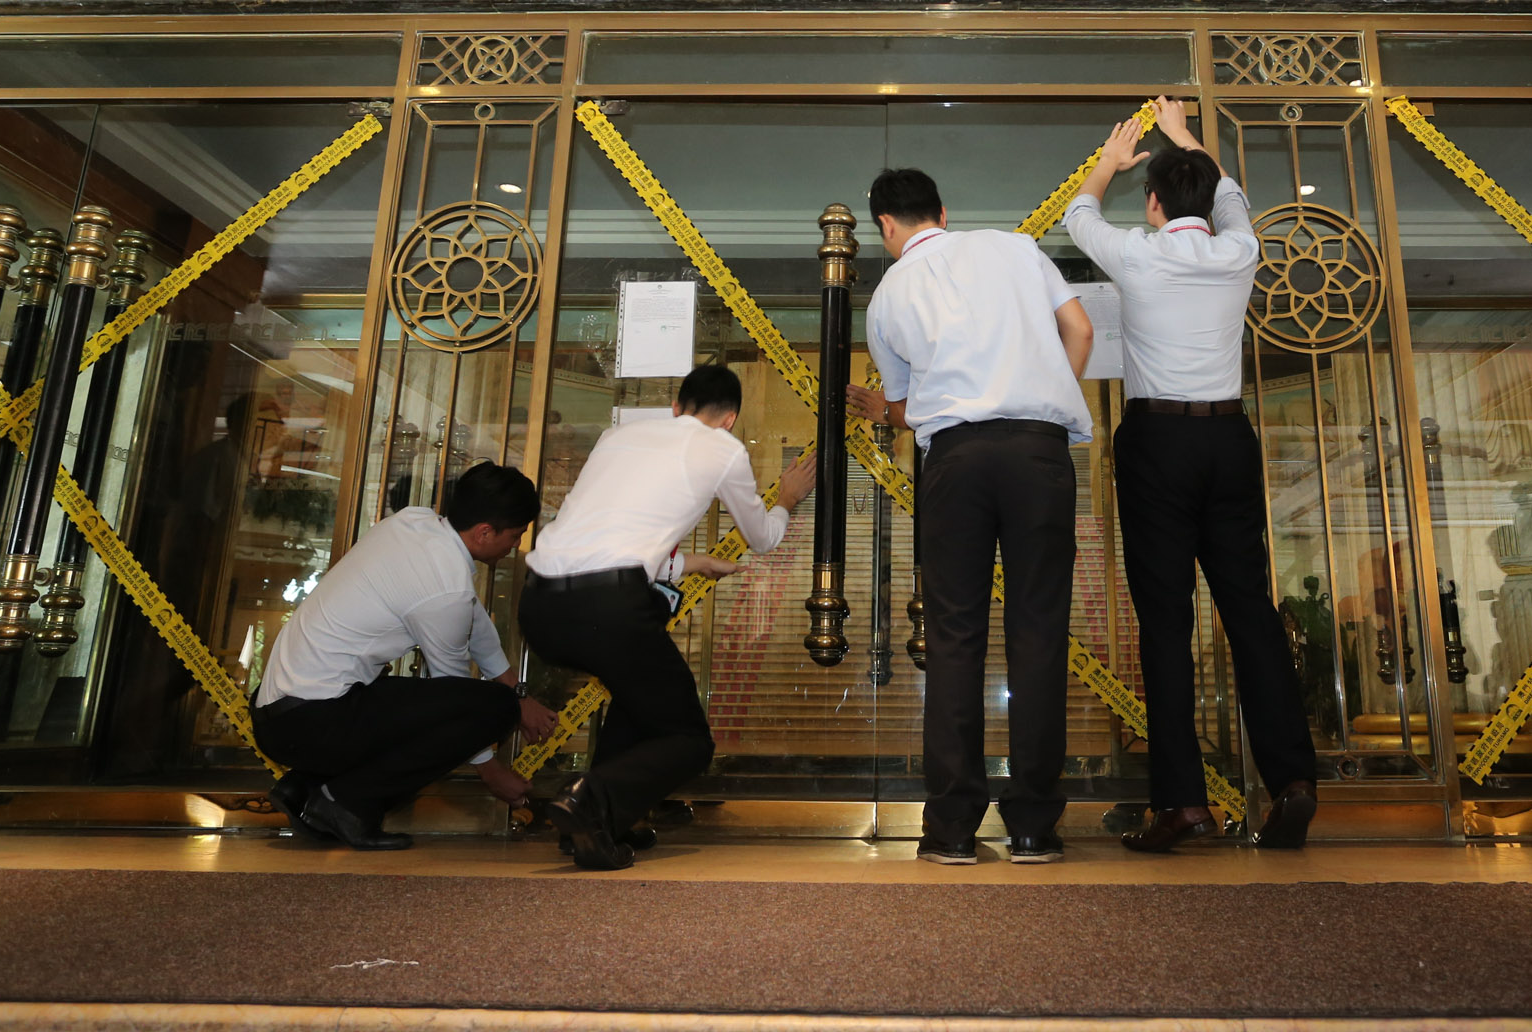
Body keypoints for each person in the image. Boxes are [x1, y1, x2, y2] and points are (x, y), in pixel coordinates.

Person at [1063, 98, 1318, 850]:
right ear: (1207, 202)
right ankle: (1293, 781)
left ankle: (1181, 804)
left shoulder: (1138, 254)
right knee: (1251, 612)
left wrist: (1110, 160)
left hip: (1158, 442)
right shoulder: (1239, 249)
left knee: (1166, 623)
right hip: (1228, 438)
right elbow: (1229, 191)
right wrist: (1182, 136)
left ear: (1152, 203)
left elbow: (1078, 213)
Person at [845, 168, 1095, 864]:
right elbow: (1079, 329)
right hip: (1038, 451)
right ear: (943, 212)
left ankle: (953, 826)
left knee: (955, 636)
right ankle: (1033, 826)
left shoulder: (887, 297)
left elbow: (907, 408)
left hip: (955, 460)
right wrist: (1041, 391)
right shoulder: (1015, 247)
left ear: (885, 226)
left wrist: (887, 412)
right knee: (1039, 631)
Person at [523, 364, 817, 870]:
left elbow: (611, 535)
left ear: (677, 407)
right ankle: (590, 800)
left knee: (638, 699)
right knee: (688, 740)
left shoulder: (619, 436)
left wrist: (692, 564)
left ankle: (595, 827)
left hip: (540, 607)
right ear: (731, 419)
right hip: (609, 610)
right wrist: (787, 498)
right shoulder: (723, 448)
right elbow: (764, 537)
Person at [252, 460, 558, 851]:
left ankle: (303, 788)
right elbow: (454, 695)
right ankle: (347, 804)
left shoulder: (414, 521)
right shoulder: (446, 590)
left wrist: (518, 689)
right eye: (515, 535)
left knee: (466, 702)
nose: (515, 545)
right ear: (484, 532)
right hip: (309, 724)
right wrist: (490, 770)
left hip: (278, 711)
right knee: (493, 709)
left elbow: (472, 617)